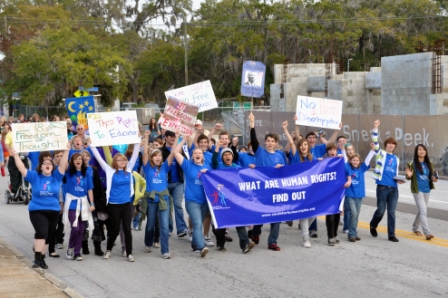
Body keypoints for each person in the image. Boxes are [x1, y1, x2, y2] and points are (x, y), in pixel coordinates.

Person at [12, 145, 69, 269]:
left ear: (52, 166)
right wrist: (15, 155)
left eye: (49, 162)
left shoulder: (56, 176)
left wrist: (67, 150)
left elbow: (63, 164)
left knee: (48, 235)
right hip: (37, 210)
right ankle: (37, 259)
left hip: (53, 210)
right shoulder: (34, 176)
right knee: (42, 232)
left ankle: (42, 259)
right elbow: (22, 168)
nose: (47, 164)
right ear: (40, 166)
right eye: (44, 163)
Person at [89, 140, 140, 262]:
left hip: (126, 204)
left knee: (127, 229)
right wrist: (92, 144)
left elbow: (135, 154)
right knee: (115, 230)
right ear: (114, 162)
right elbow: (98, 158)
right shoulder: (109, 170)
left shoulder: (129, 169)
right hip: (114, 205)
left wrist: (138, 140)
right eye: (119, 160)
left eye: (124, 160)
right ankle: (108, 250)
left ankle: (129, 253)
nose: (122, 162)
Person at [211, 139, 255, 254]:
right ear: (222, 157)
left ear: (232, 156)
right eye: (225, 154)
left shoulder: (237, 167)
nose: (227, 156)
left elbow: (245, 176)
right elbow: (214, 159)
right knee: (221, 223)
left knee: (239, 221)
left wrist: (250, 168)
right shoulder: (218, 166)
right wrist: (218, 146)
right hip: (222, 199)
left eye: (229, 154)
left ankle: (245, 244)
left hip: (235, 199)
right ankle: (220, 244)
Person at [249, 113, 284, 251]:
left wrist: (280, 169)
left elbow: (285, 174)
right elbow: (253, 139)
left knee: (277, 216)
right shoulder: (260, 152)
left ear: (276, 143)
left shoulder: (280, 156)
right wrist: (252, 123)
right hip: (262, 189)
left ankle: (272, 242)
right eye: (268, 140)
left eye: (272, 141)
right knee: (261, 214)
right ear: (265, 142)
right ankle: (255, 233)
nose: (270, 143)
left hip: (275, 190)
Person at [173, 137, 211, 257]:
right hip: (191, 201)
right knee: (198, 223)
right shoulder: (188, 165)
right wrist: (184, 139)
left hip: (205, 201)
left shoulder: (208, 167)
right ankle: (201, 247)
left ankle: (195, 243)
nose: (197, 154)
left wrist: (208, 174)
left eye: (199, 153)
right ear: (192, 155)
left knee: (198, 223)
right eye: (195, 153)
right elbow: (175, 152)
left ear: (203, 156)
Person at [369, 119, 403, 242]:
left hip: (394, 188)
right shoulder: (380, 154)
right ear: (386, 145)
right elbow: (374, 141)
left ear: (395, 146)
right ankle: (373, 224)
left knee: (392, 212)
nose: (391, 145)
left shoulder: (396, 159)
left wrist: (399, 180)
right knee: (381, 211)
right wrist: (375, 127)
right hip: (382, 187)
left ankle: (391, 234)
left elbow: (395, 173)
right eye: (389, 143)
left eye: (393, 144)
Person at [142, 131, 175, 259]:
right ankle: (148, 242)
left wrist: (178, 137)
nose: (157, 158)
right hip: (151, 199)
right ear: (152, 158)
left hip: (164, 199)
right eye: (155, 156)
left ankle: (165, 251)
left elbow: (173, 152)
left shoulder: (165, 167)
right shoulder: (147, 167)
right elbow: (145, 152)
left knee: (165, 225)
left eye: (159, 156)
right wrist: (146, 137)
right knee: (150, 224)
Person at [63, 153, 95, 261]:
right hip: (72, 203)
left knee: (82, 229)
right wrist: (67, 149)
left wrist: (92, 203)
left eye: (80, 159)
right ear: (72, 161)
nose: (78, 160)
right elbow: (64, 164)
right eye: (76, 159)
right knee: (75, 228)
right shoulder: (69, 173)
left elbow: (90, 189)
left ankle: (77, 252)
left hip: (83, 203)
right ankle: (70, 248)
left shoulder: (87, 174)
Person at [405, 144, 437, 240]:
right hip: (417, 189)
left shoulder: (429, 163)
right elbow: (408, 176)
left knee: (421, 210)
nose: (422, 151)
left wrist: (434, 178)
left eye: (423, 150)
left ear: (426, 151)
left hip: (427, 189)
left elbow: (431, 177)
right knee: (423, 211)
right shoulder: (412, 163)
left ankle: (415, 227)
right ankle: (427, 233)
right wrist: (409, 175)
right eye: (419, 150)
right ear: (416, 152)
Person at [160, 130, 188, 238]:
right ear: (165, 137)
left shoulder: (180, 150)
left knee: (178, 205)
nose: (172, 138)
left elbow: (185, 163)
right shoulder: (161, 151)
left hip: (178, 182)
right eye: (170, 136)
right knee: (167, 207)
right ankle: (168, 229)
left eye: (174, 136)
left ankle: (181, 229)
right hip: (165, 183)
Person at [344, 148, 374, 242]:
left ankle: (354, 232)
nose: (355, 162)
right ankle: (351, 234)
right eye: (353, 160)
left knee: (356, 216)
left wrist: (372, 150)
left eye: (357, 160)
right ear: (350, 161)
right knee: (353, 213)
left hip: (359, 195)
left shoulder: (361, 169)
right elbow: (344, 161)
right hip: (350, 195)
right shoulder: (347, 167)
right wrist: (342, 151)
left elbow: (368, 160)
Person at [5, 122, 30, 199]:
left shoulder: (24, 134)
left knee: (25, 172)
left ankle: (24, 188)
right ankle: (15, 190)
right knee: (14, 174)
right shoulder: (10, 134)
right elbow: (7, 144)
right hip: (14, 156)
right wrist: (10, 152)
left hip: (22, 156)